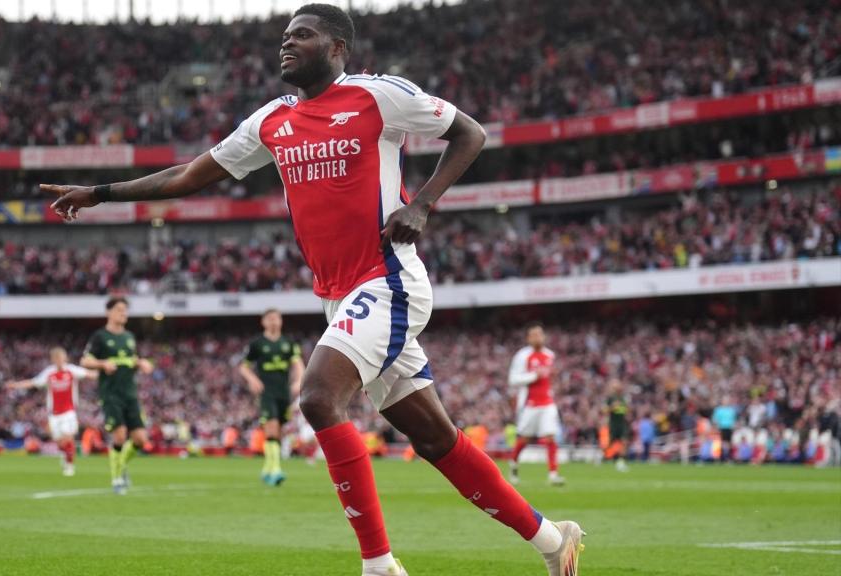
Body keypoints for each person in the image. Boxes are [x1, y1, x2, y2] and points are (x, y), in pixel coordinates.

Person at [44, 5, 584, 574]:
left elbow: (470, 132)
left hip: (388, 281)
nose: (287, 43)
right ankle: (554, 540)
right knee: (434, 439)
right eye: (284, 36)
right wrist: (100, 193)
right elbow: (187, 175)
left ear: (336, 48)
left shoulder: (379, 95)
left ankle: (379, 566)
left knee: (318, 396)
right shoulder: (271, 120)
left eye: (301, 35)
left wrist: (422, 203)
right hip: (338, 297)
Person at [80, 297, 154, 494]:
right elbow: (85, 361)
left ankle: (122, 465)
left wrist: (141, 363)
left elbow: (131, 359)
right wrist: (102, 364)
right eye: (120, 309)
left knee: (140, 439)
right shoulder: (100, 336)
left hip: (130, 393)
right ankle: (117, 479)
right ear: (109, 312)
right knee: (120, 435)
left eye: (125, 310)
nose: (124, 313)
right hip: (111, 393)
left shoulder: (129, 336)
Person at [238, 308, 305, 486]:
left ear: (281, 321)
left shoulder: (288, 343)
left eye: (277, 318)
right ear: (264, 322)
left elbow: (298, 364)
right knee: (272, 427)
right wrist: (253, 380)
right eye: (270, 319)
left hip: (284, 392)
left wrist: (298, 381)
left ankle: (267, 468)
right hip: (266, 392)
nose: (274, 321)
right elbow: (243, 367)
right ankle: (276, 470)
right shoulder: (257, 344)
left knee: (279, 431)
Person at [6, 347, 97, 476]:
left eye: (61, 357)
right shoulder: (49, 373)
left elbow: (90, 374)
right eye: (56, 358)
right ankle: (65, 454)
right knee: (60, 443)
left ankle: (69, 466)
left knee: (68, 438)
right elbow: (33, 382)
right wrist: (15, 385)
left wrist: (106, 373)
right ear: (53, 360)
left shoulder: (71, 370)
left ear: (65, 358)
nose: (59, 360)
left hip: (69, 412)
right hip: (54, 414)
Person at [507, 323, 566, 486]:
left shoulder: (550, 355)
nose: (537, 337)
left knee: (550, 436)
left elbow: (550, 377)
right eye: (534, 335)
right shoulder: (522, 356)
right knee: (525, 438)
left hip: (547, 402)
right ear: (528, 338)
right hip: (529, 403)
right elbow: (513, 379)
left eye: (540, 334)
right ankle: (513, 464)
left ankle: (553, 474)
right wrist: (534, 376)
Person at [603, 379, 630, 472]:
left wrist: (625, 410)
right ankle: (603, 457)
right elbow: (604, 410)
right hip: (613, 424)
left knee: (624, 441)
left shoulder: (623, 398)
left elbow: (625, 410)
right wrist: (612, 407)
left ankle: (621, 461)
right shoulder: (610, 398)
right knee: (610, 443)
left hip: (622, 423)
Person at [712, 396, 738, 463]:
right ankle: (722, 457)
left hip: (729, 428)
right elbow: (715, 419)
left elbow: (734, 420)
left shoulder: (731, 410)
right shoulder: (719, 410)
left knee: (729, 443)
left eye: (727, 400)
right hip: (721, 428)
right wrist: (716, 426)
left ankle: (728, 457)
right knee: (722, 443)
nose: (726, 402)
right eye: (724, 400)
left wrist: (734, 426)